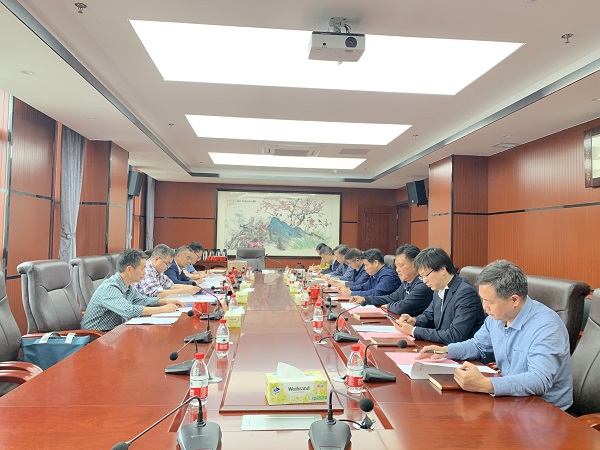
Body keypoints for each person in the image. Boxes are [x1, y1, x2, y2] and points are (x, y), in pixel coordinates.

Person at [416, 260, 573, 410]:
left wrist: (485, 384)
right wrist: (446, 351)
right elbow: (478, 345)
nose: (485, 308)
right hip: (511, 399)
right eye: (483, 300)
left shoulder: (547, 327)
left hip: (545, 410)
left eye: (490, 302)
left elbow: (538, 380)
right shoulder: (497, 317)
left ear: (514, 300)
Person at [393, 247, 484, 344]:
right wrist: (414, 321)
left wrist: (413, 331)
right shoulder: (438, 288)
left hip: (461, 351)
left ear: (442, 269)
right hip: (440, 347)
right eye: (421, 276)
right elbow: (429, 316)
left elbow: (454, 335)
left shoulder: (466, 294)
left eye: (426, 275)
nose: (424, 281)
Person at [81, 249, 187, 332]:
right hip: (96, 337)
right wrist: (163, 309)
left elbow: (142, 300)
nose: (145, 272)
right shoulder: (110, 288)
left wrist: (165, 301)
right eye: (142, 268)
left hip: (114, 332)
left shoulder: (127, 286)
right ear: (129, 270)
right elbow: (129, 311)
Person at [350, 244, 433, 316]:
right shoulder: (406, 282)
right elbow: (392, 298)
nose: (397, 270)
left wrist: (389, 306)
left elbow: (402, 307)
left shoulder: (423, 284)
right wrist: (365, 299)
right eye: (396, 266)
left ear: (415, 265)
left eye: (400, 265)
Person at [134, 244, 200, 297]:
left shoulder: (159, 271)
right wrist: (185, 291)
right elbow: (157, 294)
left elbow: (171, 286)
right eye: (167, 263)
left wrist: (191, 287)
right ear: (156, 259)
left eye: (169, 264)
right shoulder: (147, 270)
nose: (168, 267)